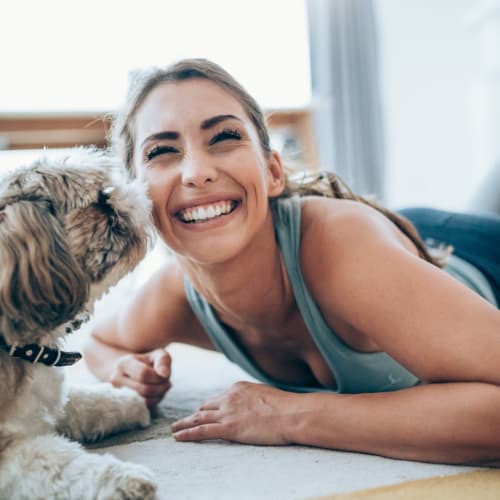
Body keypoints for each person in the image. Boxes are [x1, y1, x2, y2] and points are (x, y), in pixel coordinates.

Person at [84, 58, 500, 465]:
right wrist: (125, 370)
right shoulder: (175, 294)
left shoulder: (342, 249)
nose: (196, 172)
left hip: (477, 253)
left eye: (224, 137)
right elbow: (102, 343)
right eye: (162, 151)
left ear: (273, 173)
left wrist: (290, 416)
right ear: (135, 196)